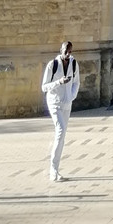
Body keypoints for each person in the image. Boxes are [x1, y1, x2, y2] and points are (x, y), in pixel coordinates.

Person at [41, 41, 79, 182]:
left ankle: (56, 170)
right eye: (66, 51)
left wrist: (71, 96)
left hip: (67, 103)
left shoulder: (74, 64)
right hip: (54, 102)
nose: (68, 54)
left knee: (61, 136)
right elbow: (44, 87)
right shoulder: (53, 65)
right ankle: (53, 170)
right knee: (61, 130)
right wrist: (59, 82)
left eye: (70, 51)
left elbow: (76, 82)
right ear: (61, 50)